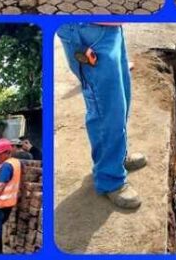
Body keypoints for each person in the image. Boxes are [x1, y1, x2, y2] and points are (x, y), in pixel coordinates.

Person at [56, 23, 147, 210]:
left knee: (121, 101)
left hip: (111, 29)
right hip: (88, 33)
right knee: (106, 110)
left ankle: (117, 157)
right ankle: (109, 178)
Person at [0, 138, 22, 254]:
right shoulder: (16, 162)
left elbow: (1, 185)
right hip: (8, 204)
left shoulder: (6, 166)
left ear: (7, 152)